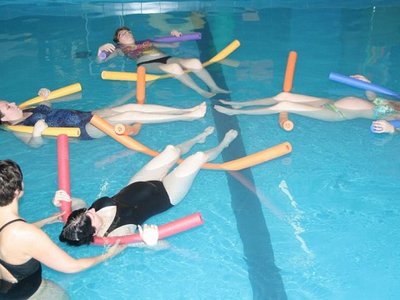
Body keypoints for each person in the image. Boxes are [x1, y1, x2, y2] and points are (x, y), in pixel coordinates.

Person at [58, 126, 238, 246]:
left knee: (171, 150)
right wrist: (151, 242)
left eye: (87, 211)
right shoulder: (115, 234)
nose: (92, 210)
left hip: (139, 182)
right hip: (167, 195)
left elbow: (78, 203)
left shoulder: (86, 217)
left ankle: (197, 138)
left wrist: (65, 199)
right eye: (91, 216)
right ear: (94, 231)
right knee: (198, 157)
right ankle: (223, 145)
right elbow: (152, 244)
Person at [0, 160, 125, 299]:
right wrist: (108, 255)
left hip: (9, 289)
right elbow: (72, 266)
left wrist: (48, 220)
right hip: (31, 295)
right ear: (19, 190)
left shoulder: (14, 228)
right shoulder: (25, 233)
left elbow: (11, 235)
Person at [0, 88, 207, 147]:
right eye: (8, 107)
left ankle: (184, 110)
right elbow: (34, 144)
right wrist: (37, 134)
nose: (13, 104)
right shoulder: (19, 127)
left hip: (86, 115)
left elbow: (47, 106)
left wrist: (45, 95)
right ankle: (187, 117)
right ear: (3, 120)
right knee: (129, 115)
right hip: (83, 130)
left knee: (131, 106)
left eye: (9, 102)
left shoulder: (27, 109)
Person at [214, 75, 400, 133]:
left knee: (284, 106)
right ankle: (239, 104)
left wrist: (389, 129)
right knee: (283, 95)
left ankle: (235, 114)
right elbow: (372, 99)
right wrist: (366, 83)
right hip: (331, 102)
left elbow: (397, 128)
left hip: (336, 112)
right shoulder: (396, 101)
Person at [97, 27, 229, 98]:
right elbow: (101, 61)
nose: (126, 34)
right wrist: (101, 50)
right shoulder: (120, 49)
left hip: (166, 57)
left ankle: (215, 87)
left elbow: (174, 45)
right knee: (174, 68)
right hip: (147, 63)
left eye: (128, 32)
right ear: (118, 40)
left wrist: (175, 34)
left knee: (195, 62)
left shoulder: (146, 41)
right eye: (122, 34)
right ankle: (201, 91)